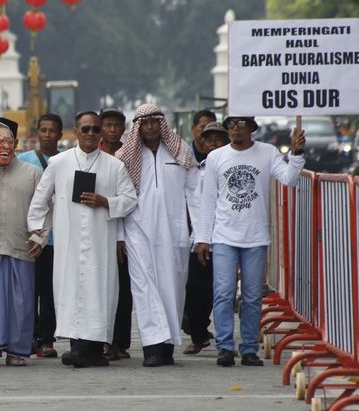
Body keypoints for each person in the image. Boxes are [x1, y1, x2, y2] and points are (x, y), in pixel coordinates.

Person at [28, 111, 137, 368]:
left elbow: (130, 199)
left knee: (99, 291)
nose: (90, 134)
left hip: (101, 242)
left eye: (95, 129)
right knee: (72, 289)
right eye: (85, 129)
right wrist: (36, 231)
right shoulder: (59, 162)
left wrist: (105, 202)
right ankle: (79, 347)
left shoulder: (114, 165)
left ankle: (94, 349)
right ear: (75, 132)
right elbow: (39, 200)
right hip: (69, 241)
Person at [195, 116, 306, 368]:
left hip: (255, 236)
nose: (235, 129)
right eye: (231, 125)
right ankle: (225, 347)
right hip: (223, 236)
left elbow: (289, 178)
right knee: (223, 294)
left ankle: (248, 349)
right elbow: (208, 200)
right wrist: (203, 238)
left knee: (252, 296)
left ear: (252, 129)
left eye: (241, 124)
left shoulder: (266, 152)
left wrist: (297, 152)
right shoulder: (216, 157)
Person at [116, 103, 200, 367]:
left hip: (174, 234)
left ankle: (167, 347)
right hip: (137, 233)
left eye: (155, 121)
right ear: (138, 127)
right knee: (145, 289)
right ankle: (152, 347)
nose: (151, 127)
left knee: (172, 289)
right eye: (145, 123)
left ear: (162, 123)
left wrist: (200, 233)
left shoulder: (181, 152)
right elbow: (120, 199)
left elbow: (195, 195)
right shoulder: (124, 157)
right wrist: (119, 234)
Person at [0, 117, 47, 367]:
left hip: (20, 246)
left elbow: (48, 206)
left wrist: (40, 235)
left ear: (15, 145)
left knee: (21, 301)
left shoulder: (33, 173)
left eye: (8, 140)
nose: (4, 145)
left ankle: (17, 351)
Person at [17, 113, 63, 359]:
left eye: (52, 130)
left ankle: (47, 339)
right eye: (43, 130)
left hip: (57, 238)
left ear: (60, 133)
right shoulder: (23, 160)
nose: (47, 135)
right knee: (27, 290)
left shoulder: (68, 160)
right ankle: (29, 336)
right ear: (37, 133)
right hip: (31, 237)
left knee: (49, 291)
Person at [183, 121, 229, 355]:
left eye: (218, 139)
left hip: (225, 238)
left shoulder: (232, 169)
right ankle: (198, 334)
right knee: (193, 289)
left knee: (222, 291)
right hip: (196, 238)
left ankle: (225, 342)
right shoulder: (193, 169)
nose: (212, 143)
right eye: (208, 138)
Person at [98, 107, 132, 361]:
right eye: (106, 125)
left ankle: (120, 341)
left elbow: (130, 198)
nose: (111, 130)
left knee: (123, 289)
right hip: (96, 230)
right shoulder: (91, 155)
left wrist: (121, 235)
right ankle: (101, 340)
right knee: (99, 288)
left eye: (116, 126)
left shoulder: (130, 155)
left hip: (126, 230)